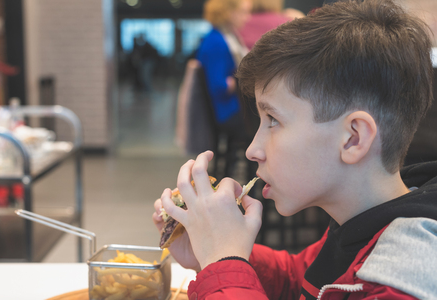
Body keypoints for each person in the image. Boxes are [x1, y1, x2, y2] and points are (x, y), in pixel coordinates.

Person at [153, 0, 437, 299]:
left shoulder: (401, 277)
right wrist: (210, 250)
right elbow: (295, 275)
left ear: (353, 138)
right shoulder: (361, 224)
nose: (252, 150)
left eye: (273, 120)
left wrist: (224, 262)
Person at [195, 0, 252, 140]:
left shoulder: (224, 36)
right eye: (243, 12)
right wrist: (240, 81)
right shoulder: (217, 42)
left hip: (230, 108)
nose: (248, 17)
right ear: (229, 13)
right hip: (228, 111)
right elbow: (219, 86)